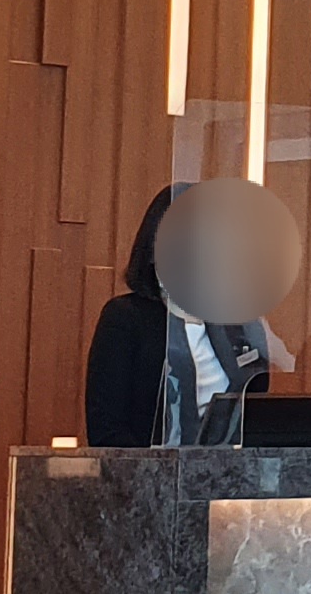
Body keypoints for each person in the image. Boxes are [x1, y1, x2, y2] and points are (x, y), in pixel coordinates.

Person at [83, 184, 271, 448]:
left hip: (229, 471)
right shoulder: (125, 318)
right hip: (147, 470)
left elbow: (258, 421)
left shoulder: (241, 325)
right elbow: (106, 431)